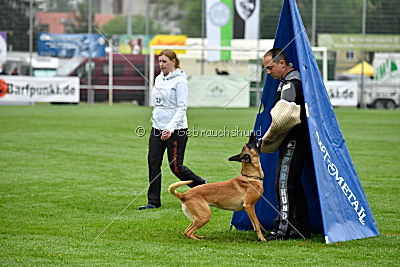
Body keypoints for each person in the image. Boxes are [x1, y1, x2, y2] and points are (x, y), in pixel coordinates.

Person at [139, 49, 207, 210]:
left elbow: (181, 108)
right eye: (159, 61)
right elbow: (158, 105)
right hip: (157, 129)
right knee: (153, 163)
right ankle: (153, 201)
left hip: (177, 130)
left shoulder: (181, 81)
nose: (161, 64)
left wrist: (169, 128)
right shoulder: (158, 78)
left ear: (173, 62)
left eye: (164, 61)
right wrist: (157, 124)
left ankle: (203, 187)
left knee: (176, 167)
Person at [262, 48, 311, 240]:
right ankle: (300, 228)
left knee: (283, 183)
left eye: (270, 67)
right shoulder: (288, 81)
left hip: (294, 140)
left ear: (282, 64)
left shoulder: (291, 84)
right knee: (293, 184)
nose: (268, 72)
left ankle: (282, 230)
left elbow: (285, 115)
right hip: (296, 140)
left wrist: (268, 139)